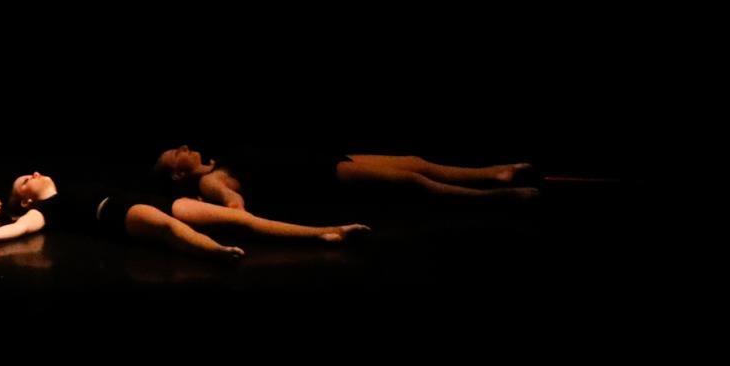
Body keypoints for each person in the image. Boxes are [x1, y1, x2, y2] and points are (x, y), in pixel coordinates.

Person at [0, 170, 370, 261]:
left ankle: (325, 231)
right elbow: (25, 225)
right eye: (26, 179)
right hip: (116, 213)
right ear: (25, 199)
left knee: (243, 219)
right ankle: (217, 251)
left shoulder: (72, 183)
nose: (36, 174)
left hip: (141, 198)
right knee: (168, 228)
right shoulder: (46, 209)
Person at [154, 146, 539, 206]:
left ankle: (494, 173)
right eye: (177, 153)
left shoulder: (218, 159)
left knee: (414, 161)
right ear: (176, 174)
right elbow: (233, 204)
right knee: (412, 183)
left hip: (324, 157)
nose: (185, 148)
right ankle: (496, 195)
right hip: (319, 177)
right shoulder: (209, 181)